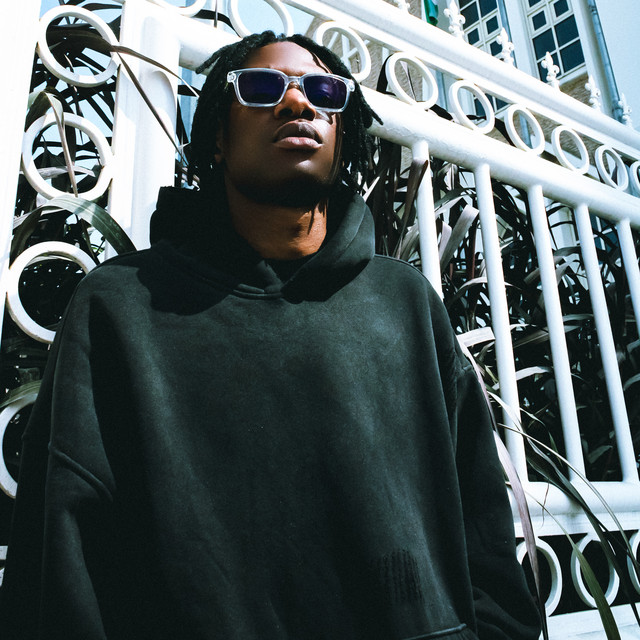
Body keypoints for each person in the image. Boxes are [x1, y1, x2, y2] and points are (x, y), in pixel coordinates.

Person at [0, 30, 541, 640]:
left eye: (324, 92)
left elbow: (484, 533)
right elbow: (62, 555)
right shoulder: (120, 308)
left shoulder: (405, 302)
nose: (297, 102)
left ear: (343, 135)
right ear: (217, 138)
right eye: (262, 87)